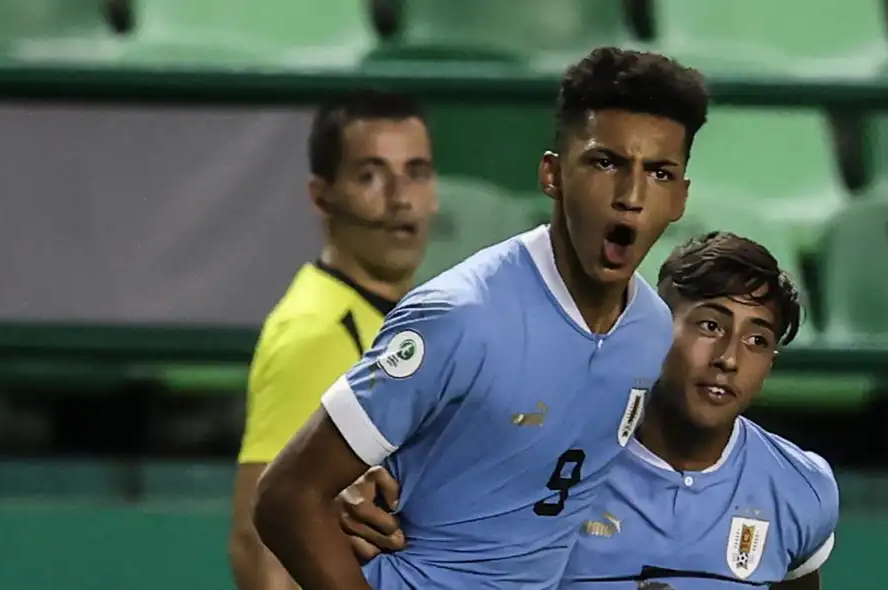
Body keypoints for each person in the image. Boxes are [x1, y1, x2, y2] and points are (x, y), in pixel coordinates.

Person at [252, 46, 709, 590]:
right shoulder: (459, 315)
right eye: (605, 163)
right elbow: (286, 495)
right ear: (553, 174)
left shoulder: (653, 332)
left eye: (659, 173)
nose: (631, 196)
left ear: (681, 198)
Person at [339, 232, 839, 590]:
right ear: (657, 324)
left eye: (757, 340)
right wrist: (359, 488)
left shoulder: (800, 486)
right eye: (710, 326)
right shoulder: (549, 453)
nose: (729, 358)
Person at [228, 88, 437, 590]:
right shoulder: (314, 332)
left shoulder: (406, 320)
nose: (400, 197)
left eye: (417, 171)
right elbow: (260, 544)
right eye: (370, 175)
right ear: (322, 196)